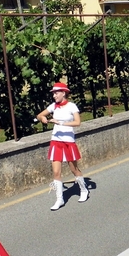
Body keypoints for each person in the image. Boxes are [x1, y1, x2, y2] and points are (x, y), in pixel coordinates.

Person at [36, 82, 89, 211]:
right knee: (56, 172)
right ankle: (59, 199)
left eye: (56, 93)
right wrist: (42, 118)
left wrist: (60, 123)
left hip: (68, 141)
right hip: (56, 141)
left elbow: (77, 122)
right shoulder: (53, 106)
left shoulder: (72, 106)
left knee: (74, 169)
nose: (54, 95)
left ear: (63, 93)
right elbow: (39, 115)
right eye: (53, 93)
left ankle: (84, 190)